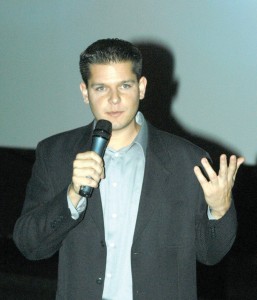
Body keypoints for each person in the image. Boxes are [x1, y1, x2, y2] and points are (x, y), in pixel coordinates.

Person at [13, 38, 244, 300]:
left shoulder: (188, 161)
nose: (114, 99)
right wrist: (71, 196)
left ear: (141, 87)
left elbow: (210, 255)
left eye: (125, 85)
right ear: (84, 92)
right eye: (101, 88)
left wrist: (219, 209)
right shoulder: (55, 154)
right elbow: (30, 247)